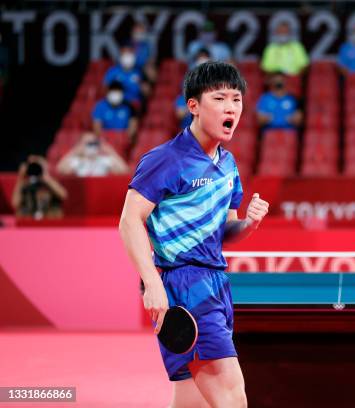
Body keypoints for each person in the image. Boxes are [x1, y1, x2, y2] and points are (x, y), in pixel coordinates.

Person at [119, 61, 269, 408]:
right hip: (186, 285)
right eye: (219, 98)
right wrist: (152, 282)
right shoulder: (166, 159)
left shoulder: (228, 165)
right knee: (232, 396)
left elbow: (225, 231)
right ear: (194, 106)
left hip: (217, 280)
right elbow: (129, 221)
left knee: (192, 401)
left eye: (236, 99)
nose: (231, 107)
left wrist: (248, 225)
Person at [56, 132, 129, 177]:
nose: (91, 146)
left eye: (93, 143)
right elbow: (60, 170)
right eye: (88, 143)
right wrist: (74, 151)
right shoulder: (77, 161)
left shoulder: (103, 160)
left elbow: (124, 170)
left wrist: (110, 151)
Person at [103, 42, 149, 107]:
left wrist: (144, 88)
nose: (127, 55)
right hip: (118, 103)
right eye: (124, 53)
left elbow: (146, 91)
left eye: (129, 53)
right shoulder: (113, 71)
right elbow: (105, 88)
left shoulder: (139, 71)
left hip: (135, 103)